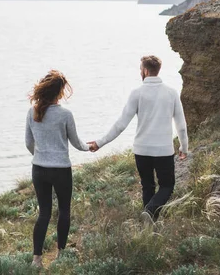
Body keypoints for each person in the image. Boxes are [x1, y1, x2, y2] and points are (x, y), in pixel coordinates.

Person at [88, 55, 189, 222]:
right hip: (163, 150)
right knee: (167, 186)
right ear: (158, 70)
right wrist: (183, 148)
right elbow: (181, 125)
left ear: (145, 70)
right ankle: (150, 213)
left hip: (142, 150)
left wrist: (100, 143)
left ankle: (149, 222)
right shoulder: (171, 93)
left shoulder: (137, 93)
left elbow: (121, 124)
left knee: (147, 186)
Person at [25, 70, 89, 268]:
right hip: (60, 169)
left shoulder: (32, 112)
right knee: (64, 210)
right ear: (60, 92)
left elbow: (29, 143)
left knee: (44, 212)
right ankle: (60, 254)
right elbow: (77, 143)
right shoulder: (65, 115)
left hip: (39, 169)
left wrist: (41, 155)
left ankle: (36, 259)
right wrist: (90, 147)